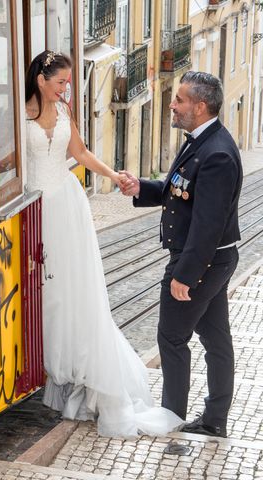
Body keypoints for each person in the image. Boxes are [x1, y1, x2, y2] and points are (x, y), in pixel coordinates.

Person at [26, 50, 183, 437]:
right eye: (61, 82)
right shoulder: (18, 114)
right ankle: (51, 363)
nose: (66, 89)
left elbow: (79, 153)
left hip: (66, 205)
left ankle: (78, 370)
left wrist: (116, 177)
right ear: (41, 80)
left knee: (73, 288)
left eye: (68, 83)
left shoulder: (64, 114)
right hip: (34, 207)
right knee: (47, 289)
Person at [120, 71, 242, 437]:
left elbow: (208, 226)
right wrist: (140, 186)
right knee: (216, 339)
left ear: (200, 107)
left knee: (172, 337)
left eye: (180, 100)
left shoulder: (217, 153)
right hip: (211, 260)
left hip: (201, 261)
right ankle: (214, 420)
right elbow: (179, 191)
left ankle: (171, 416)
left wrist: (185, 276)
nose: (172, 105)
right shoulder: (200, 141)